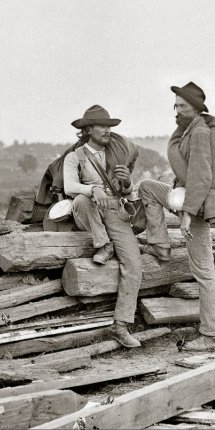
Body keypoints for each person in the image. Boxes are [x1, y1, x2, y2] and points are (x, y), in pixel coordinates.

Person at [137, 82, 215, 351]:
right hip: (184, 195)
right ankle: (160, 245)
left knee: (204, 271)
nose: (176, 110)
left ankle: (211, 334)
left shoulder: (199, 132)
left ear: (197, 108)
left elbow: (201, 176)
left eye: (182, 106)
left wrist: (187, 215)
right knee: (147, 187)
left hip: (196, 204)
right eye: (175, 105)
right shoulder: (187, 129)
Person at [62, 105, 144, 348]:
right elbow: (69, 187)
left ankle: (120, 325)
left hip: (114, 210)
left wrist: (127, 184)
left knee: (134, 264)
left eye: (109, 126)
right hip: (89, 210)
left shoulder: (116, 154)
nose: (108, 130)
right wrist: (91, 189)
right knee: (81, 199)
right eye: (102, 126)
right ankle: (104, 243)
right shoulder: (75, 156)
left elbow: (127, 192)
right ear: (88, 129)